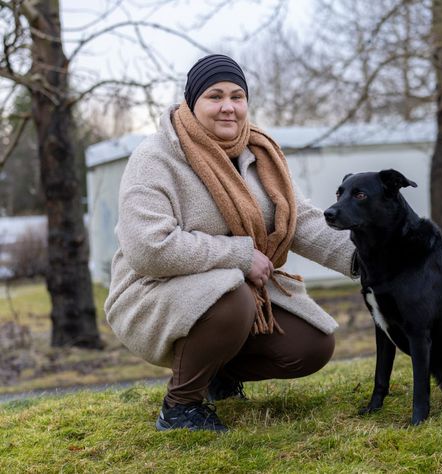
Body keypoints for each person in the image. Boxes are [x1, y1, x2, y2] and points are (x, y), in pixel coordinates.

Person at [104, 54, 357, 432]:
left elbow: (298, 219)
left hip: (233, 290)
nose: (228, 107)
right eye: (215, 96)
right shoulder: (155, 157)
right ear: (192, 103)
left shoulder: (260, 153)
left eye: (237, 96)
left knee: (312, 346)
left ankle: (214, 373)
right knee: (231, 295)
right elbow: (148, 249)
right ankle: (180, 407)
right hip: (151, 291)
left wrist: (368, 257)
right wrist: (239, 256)